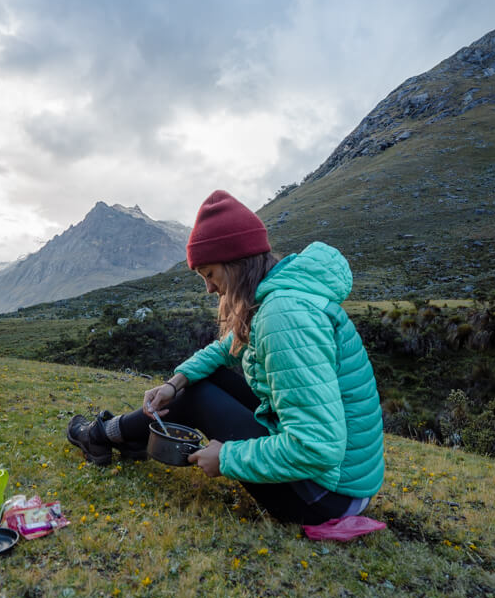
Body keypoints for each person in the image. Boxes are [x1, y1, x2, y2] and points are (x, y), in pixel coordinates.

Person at [67, 190, 384, 525]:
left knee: (201, 395)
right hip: (342, 483)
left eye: (210, 273)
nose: (208, 288)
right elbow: (225, 349)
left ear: (236, 264)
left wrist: (228, 458)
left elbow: (317, 448)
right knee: (201, 380)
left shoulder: (282, 316)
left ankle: (100, 436)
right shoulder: (279, 297)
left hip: (327, 498)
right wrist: (174, 384)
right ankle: (124, 438)